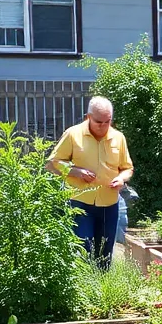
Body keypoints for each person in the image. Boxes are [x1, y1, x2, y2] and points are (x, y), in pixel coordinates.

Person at [45, 96, 133, 269]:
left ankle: (101, 289)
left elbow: (127, 168)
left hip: (109, 203)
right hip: (80, 203)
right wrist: (76, 172)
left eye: (107, 122)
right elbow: (53, 162)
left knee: (105, 252)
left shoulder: (118, 138)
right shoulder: (73, 134)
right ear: (88, 117)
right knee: (84, 247)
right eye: (99, 122)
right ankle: (84, 286)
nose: (103, 126)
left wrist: (121, 179)